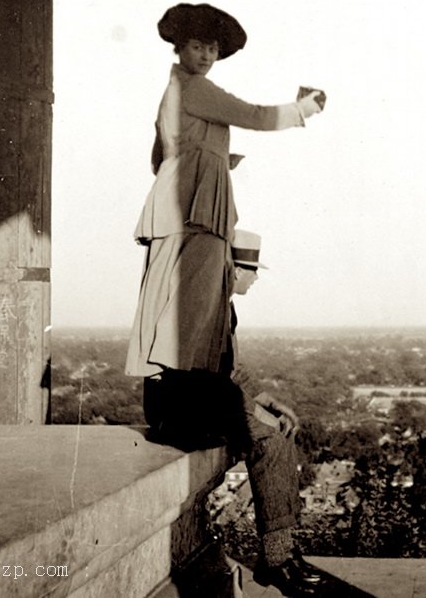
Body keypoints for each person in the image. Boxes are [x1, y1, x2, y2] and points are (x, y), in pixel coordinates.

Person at [125, 2, 324, 380]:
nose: (206, 56)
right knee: (194, 305)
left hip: (178, 204)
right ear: (180, 47)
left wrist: (215, 158)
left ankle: (176, 391)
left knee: (175, 298)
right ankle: (188, 398)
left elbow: (161, 154)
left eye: (213, 49)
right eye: (198, 46)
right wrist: (304, 109)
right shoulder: (195, 87)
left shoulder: (174, 89)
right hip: (196, 209)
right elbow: (254, 115)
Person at [143, 230, 326, 597]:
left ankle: (283, 552)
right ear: (234, 269)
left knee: (275, 432)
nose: (255, 278)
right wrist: (257, 415)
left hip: (202, 402)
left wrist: (268, 400)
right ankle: (276, 559)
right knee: (272, 442)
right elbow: (205, 380)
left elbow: (230, 372)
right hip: (181, 409)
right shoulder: (205, 304)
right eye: (252, 270)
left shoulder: (220, 303)